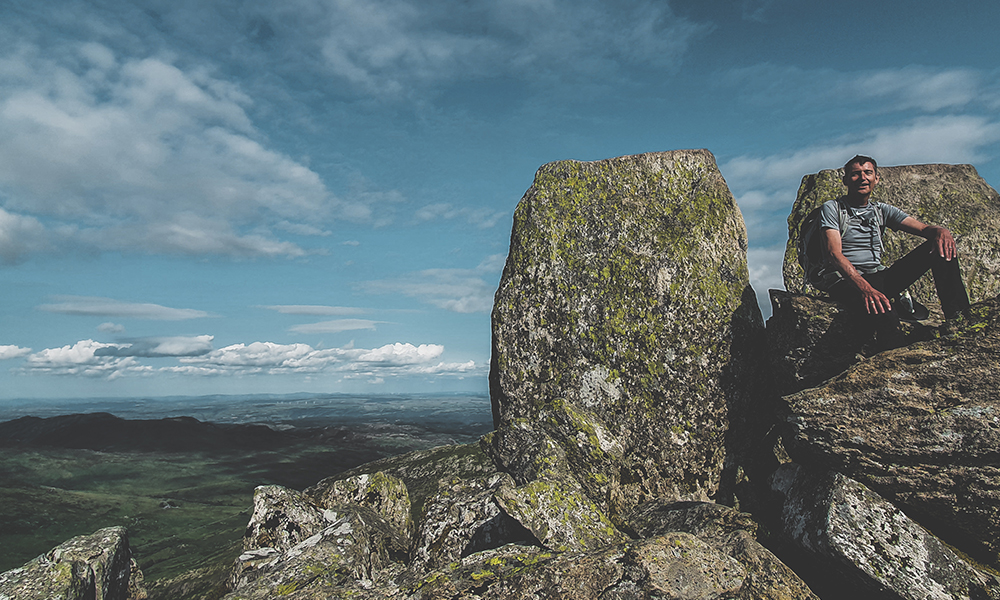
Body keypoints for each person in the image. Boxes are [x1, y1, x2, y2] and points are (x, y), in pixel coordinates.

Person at [819, 155, 970, 349]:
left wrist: (942, 232)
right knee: (885, 311)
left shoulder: (881, 210)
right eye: (855, 174)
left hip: (877, 277)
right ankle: (892, 364)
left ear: (877, 178)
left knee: (939, 246)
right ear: (846, 180)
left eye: (868, 173)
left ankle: (960, 319)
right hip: (846, 282)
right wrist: (866, 290)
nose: (863, 178)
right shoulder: (832, 208)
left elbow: (923, 229)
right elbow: (834, 254)